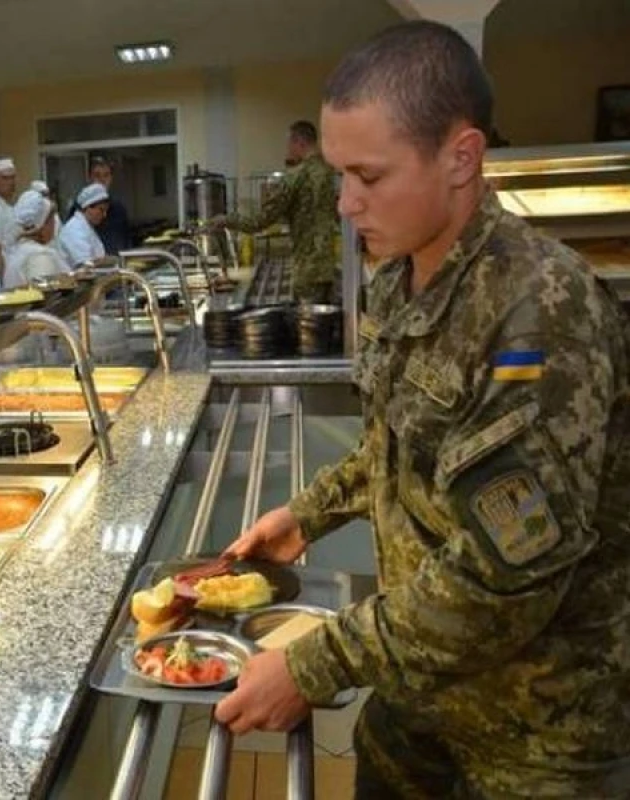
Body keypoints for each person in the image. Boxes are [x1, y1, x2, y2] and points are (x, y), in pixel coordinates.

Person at [213, 21, 630, 798]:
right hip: (421, 695)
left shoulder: (540, 316)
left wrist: (315, 665)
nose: (346, 204)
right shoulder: (399, 279)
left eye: (368, 176)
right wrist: (308, 513)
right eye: (339, 174)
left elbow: (506, 578)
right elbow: (399, 443)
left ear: (462, 157)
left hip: (536, 731)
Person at [211, 121, 340, 304]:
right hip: (328, 268)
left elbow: (260, 221)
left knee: (307, 320)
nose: (288, 150)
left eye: (289, 144)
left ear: (298, 142)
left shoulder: (296, 176)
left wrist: (226, 220)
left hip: (307, 272)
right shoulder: (330, 173)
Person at [3, 190, 69, 288]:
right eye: (52, 219)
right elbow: (45, 293)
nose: (55, 223)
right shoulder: (39, 257)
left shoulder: (20, 250)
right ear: (42, 225)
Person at [86, 156, 132, 254]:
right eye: (97, 175)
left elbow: (126, 241)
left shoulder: (119, 209)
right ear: (90, 178)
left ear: (111, 178)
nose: (102, 180)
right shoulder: (80, 208)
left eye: (106, 175)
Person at [59, 182, 110, 268]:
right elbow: (85, 265)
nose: (104, 215)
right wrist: (109, 261)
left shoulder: (86, 227)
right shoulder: (74, 230)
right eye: (101, 210)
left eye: (106, 211)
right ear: (88, 207)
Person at [30, 179, 65, 259]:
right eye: (43, 195)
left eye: (47, 195)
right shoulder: (30, 218)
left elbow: (59, 241)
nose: (46, 198)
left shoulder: (55, 217)